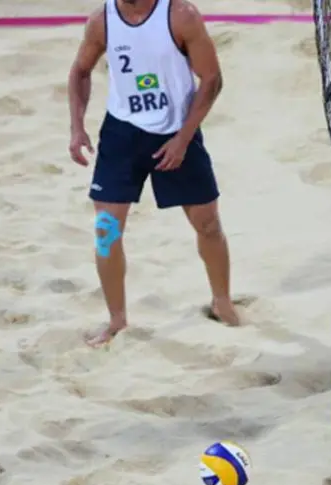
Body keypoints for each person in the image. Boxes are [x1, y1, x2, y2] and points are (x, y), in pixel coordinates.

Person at [67, 0, 242, 347]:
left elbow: (211, 79)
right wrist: (76, 127)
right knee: (106, 230)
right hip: (122, 134)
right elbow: (80, 71)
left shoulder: (181, 16)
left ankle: (222, 302)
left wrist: (182, 138)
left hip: (177, 130)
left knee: (207, 223)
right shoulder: (102, 21)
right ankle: (117, 320)